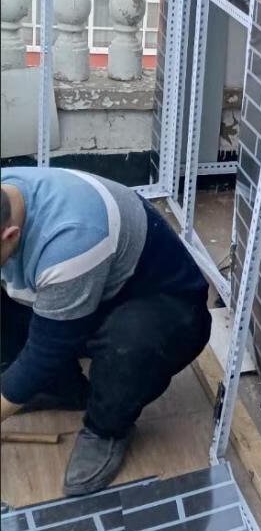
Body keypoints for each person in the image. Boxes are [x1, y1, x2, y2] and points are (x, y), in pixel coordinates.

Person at [1, 166, 211, 496]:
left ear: (9, 236)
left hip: (161, 302)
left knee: (128, 344)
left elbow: (47, 350)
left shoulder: (69, 241)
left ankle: (106, 429)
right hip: (87, 289)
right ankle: (62, 389)